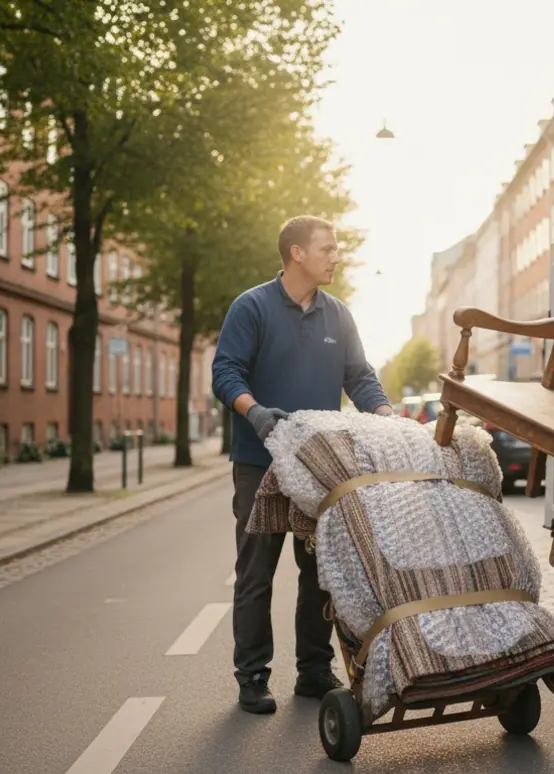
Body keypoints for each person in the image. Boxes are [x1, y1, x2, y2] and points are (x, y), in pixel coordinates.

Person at [212, 215, 393, 715]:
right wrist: (256, 412)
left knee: (320, 570)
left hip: (318, 464)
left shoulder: (339, 315)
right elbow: (225, 372)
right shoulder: (251, 307)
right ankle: (252, 677)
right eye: (328, 249)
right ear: (297, 253)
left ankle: (313, 670)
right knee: (256, 572)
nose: (336, 256)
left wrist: (388, 416)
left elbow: (360, 378)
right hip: (259, 459)